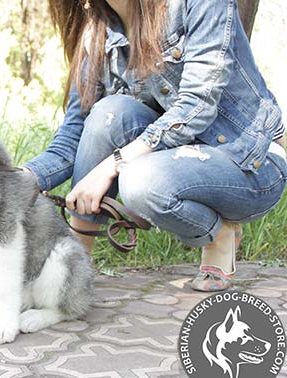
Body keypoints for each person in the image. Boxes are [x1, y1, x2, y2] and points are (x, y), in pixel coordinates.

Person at [23, 0, 287, 291]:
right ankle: (70, 271)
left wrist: (111, 166)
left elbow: (197, 105)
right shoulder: (97, 32)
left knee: (138, 181)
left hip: (248, 161)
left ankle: (216, 234)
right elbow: (74, 134)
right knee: (107, 114)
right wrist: (17, 178)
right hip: (174, 160)